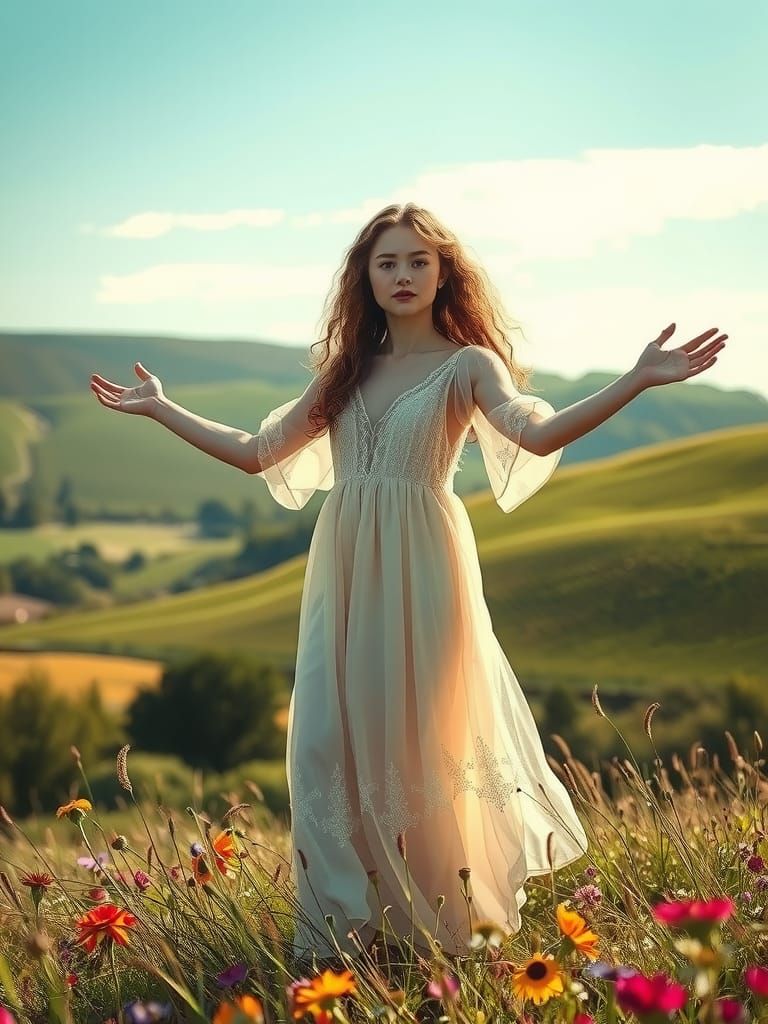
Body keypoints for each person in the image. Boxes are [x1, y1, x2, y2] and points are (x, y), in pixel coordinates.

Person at [89, 202, 728, 967]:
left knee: (427, 740)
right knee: (330, 740)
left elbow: (537, 433)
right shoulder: (346, 369)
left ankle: (440, 934)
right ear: (366, 275)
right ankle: (343, 929)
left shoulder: (469, 364)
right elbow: (259, 451)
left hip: (427, 568)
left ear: (442, 272)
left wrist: (635, 380)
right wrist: (164, 409)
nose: (402, 275)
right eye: (387, 262)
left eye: (418, 261)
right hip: (346, 567)